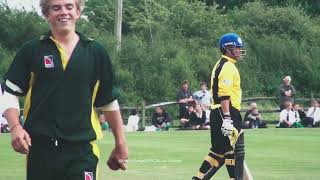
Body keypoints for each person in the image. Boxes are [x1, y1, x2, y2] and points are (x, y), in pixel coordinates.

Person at [0, 0, 128, 179]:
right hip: (40, 151)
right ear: (46, 14)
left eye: (69, 6)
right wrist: (15, 127)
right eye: (56, 7)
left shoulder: (96, 52)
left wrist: (120, 143)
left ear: (78, 11)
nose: (63, 12)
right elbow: (10, 94)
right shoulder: (31, 50)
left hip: (82, 151)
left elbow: (108, 102)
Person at [192, 33, 246, 180]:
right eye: (238, 48)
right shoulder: (228, 66)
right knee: (232, 151)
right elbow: (224, 94)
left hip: (218, 112)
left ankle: (198, 178)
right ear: (228, 48)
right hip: (226, 112)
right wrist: (228, 117)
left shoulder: (221, 63)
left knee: (219, 152)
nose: (240, 51)